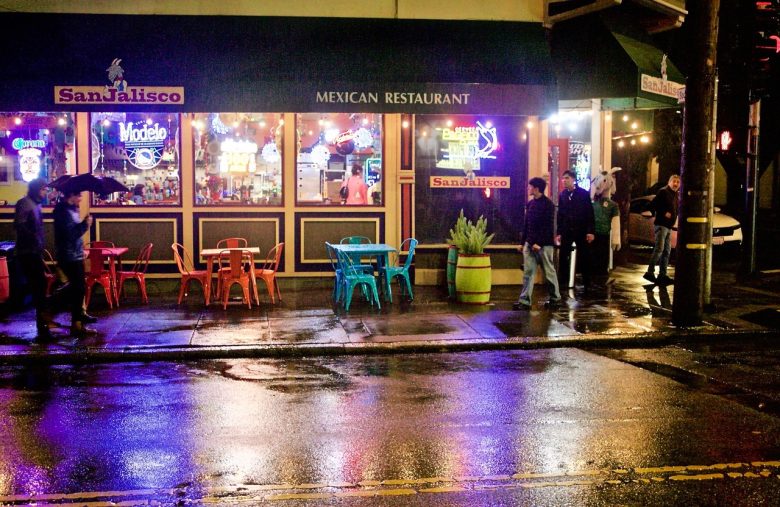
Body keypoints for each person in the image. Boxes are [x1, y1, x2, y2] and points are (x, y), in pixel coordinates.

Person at [54, 190, 97, 337]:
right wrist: (86, 224)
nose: (81, 198)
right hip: (68, 255)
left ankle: (77, 321)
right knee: (77, 288)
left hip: (75, 254)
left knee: (78, 288)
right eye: (78, 195)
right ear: (70, 195)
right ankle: (50, 308)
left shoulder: (70, 210)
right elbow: (70, 234)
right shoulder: (63, 211)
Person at [14, 178, 53, 340]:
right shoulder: (25, 203)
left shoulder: (35, 204)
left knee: (39, 286)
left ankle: (43, 323)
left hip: (34, 251)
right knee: (38, 287)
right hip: (27, 252)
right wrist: (34, 240)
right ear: (37, 189)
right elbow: (20, 225)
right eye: (43, 190)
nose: (45, 193)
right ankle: (42, 326)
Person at [514, 177, 561, 309]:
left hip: (544, 245)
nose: (528, 189)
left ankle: (555, 298)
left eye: (530, 187)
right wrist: (522, 242)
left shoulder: (548, 205)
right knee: (528, 272)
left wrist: (538, 242)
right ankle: (524, 301)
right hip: (530, 244)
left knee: (549, 271)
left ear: (536, 188)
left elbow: (548, 226)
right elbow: (526, 224)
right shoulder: (530, 204)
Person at [556, 170, 595, 291]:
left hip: (581, 229)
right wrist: (559, 232)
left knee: (584, 256)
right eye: (563, 178)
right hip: (567, 230)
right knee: (563, 255)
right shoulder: (563, 195)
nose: (564, 181)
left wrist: (590, 231)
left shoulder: (583, 194)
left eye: (567, 178)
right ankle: (563, 281)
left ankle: (587, 281)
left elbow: (589, 213)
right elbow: (560, 215)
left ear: (573, 179)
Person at [644, 174, 681, 285]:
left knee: (666, 251)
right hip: (661, 225)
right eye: (674, 181)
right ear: (669, 182)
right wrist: (664, 213)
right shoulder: (663, 192)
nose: (676, 184)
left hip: (668, 226)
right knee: (659, 249)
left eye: (678, 182)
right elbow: (652, 204)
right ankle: (650, 272)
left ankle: (662, 275)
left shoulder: (675, 194)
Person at [591, 189, 621, 282]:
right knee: (600, 255)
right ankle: (600, 275)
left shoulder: (596, 204)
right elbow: (616, 223)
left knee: (600, 254)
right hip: (599, 234)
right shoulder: (612, 205)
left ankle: (599, 275)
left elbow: (616, 222)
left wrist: (616, 239)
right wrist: (616, 240)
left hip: (600, 234)